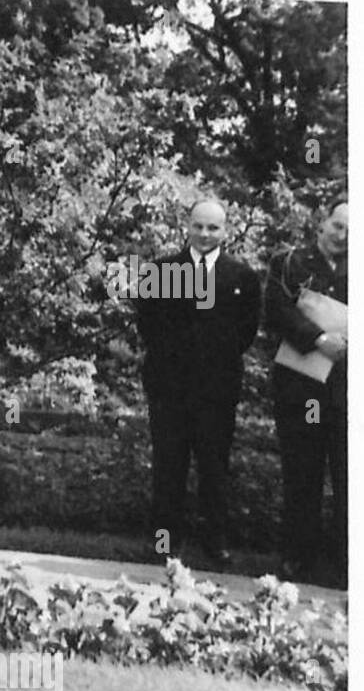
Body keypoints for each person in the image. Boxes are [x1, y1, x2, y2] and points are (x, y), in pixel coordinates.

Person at [133, 199, 262, 565]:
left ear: (226, 231)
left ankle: (214, 543)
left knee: (214, 468)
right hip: (169, 389)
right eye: (199, 226)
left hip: (217, 391)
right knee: (168, 467)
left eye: (213, 227)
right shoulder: (161, 271)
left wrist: (212, 364)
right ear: (187, 226)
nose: (205, 234)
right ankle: (163, 542)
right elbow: (148, 325)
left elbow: (245, 332)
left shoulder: (242, 277)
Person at [265, 198, 348, 586]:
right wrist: (317, 338)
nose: (342, 236)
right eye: (337, 226)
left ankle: (346, 561)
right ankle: (298, 557)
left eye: (351, 231)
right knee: (302, 472)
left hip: (347, 390)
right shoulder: (291, 263)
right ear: (322, 223)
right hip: (304, 388)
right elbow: (276, 310)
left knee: (350, 478)